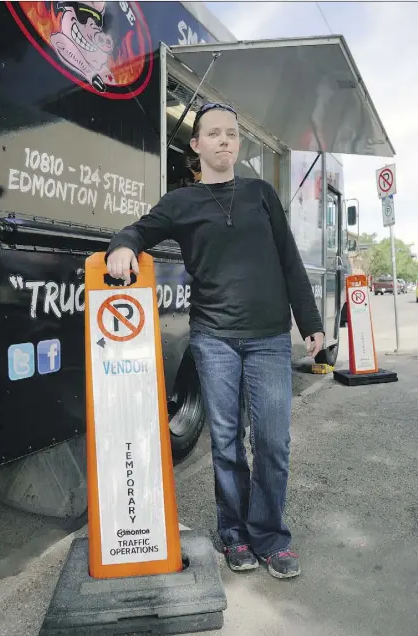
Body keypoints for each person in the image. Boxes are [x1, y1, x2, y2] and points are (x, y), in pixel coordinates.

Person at [106, 103, 324, 579]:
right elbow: (139, 229)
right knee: (225, 441)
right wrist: (122, 246)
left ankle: (269, 534)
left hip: (268, 338)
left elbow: (289, 260)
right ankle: (235, 535)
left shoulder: (261, 194)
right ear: (197, 145)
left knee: (272, 441)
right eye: (215, 133)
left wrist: (310, 321)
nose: (225, 140)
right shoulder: (181, 202)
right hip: (214, 340)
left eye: (232, 134)